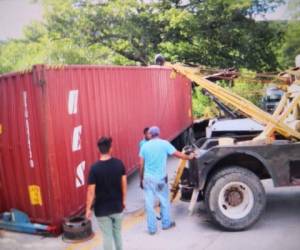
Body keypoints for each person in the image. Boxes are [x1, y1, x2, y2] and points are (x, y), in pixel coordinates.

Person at [139, 126, 194, 235]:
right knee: (164, 201)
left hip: (148, 179)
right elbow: (178, 154)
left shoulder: (144, 146)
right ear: (158, 133)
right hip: (160, 179)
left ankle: (152, 229)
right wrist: (189, 157)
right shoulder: (164, 144)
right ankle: (166, 224)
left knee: (149, 204)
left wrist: (141, 179)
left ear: (150, 134)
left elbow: (141, 164)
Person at [86, 137, 127, 250]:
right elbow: (124, 184)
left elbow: (91, 191)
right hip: (117, 206)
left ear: (99, 150)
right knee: (117, 233)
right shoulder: (119, 164)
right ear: (111, 149)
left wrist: (88, 209)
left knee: (107, 236)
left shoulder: (94, 168)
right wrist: (123, 200)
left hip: (102, 210)